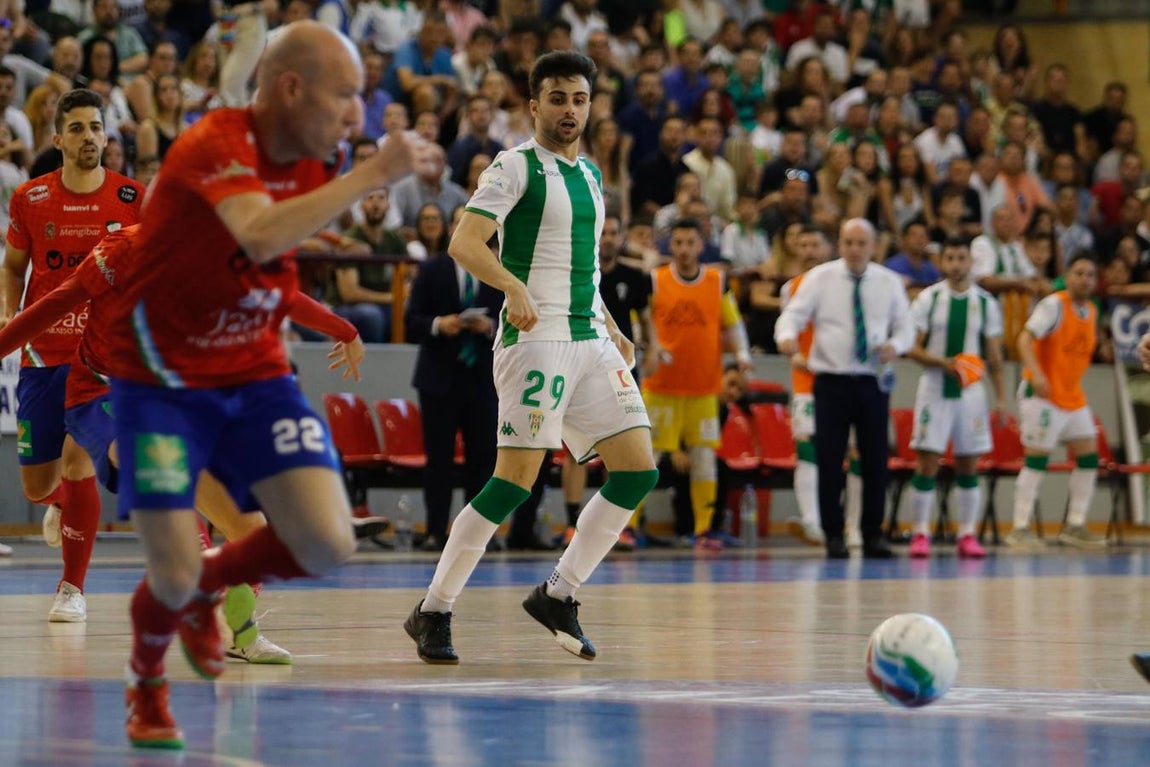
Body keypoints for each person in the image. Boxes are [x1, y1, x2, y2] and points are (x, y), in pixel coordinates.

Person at [87, 22, 413, 749]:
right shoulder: (212, 145)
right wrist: (371, 175)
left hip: (255, 370)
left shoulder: (308, 148)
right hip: (162, 382)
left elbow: (270, 265)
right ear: (293, 89)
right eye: (346, 94)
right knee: (170, 570)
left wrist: (335, 323)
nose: (356, 113)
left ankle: (211, 588)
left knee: (328, 539)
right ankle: (146, 681)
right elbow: (260, 236)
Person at [0, 223, 372, 664]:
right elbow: (53, 306)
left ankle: (241, 631)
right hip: (100, 394)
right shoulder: (122, 251)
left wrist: (345, 330)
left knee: (252, 531)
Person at [403, 51, 658, 666]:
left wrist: (612, 324)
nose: (569, 110)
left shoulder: (592, 175)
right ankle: (433, 609)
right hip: (535, 340)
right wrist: (512, 287)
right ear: (534, 104)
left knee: (638, 470)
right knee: (514, 484)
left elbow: (583, 266)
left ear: (590, 105)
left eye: (579, 99)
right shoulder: (512, 167)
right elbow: (466, 242)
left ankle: (558, 593)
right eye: (557, 98)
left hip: (589, 337)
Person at [1, 88, 144, 621]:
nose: (90, 137)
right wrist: (6, 312)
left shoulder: (133, 199)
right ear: (58, 138)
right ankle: (59, 504)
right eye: (78, 128)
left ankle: (72, 589)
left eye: (97, 127)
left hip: (101, 358)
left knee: (79, 458)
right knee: (40, 483)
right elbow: (14, 267)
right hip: (41, 354)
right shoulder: (30, 199)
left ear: (108, 136)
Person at [775, 218, 915, 560]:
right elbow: (792, 315)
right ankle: (833, 534)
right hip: (831, 381)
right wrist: (788, 338)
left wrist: (895, 345)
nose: (854, 249)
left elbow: (906, 327)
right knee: (829, 460)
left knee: (875, 462)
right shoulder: (820, 278)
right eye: (848, 242)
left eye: (861, 243)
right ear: (839, 244)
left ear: (873, 246)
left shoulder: (888, 282)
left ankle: (872, 535)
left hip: (872, 382)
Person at [642, 218, 752, 551]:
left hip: (704, 388)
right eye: (678, 243)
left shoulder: (717, 282)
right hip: (661, 387)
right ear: (669, 246)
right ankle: (627, 528)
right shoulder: (656, 281)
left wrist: (743, 355)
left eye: (691, 243)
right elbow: (641, 324)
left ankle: (704, 529)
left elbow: (732, 325)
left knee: (704, 461)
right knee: (644, 459)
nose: (685, 250)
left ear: (701, 245)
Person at [904, 238, 1006, 559]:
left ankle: (967, 535)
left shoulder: (987, 303)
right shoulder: (928, 299)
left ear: (971, 262)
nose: (956, 264)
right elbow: (911, 348)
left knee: (968, 463)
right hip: (934, 387)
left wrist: (1001, 398)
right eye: (950, 257)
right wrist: (942, 363)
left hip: (971, 393)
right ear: (942, 262)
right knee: (927, 462)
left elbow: (995, 356)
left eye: (962, 257)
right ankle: (920, 533)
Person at [405, 232, 503, 552]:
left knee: (483, 459)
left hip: (483, 377)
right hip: (439, 377)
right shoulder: (433, 268)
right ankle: (435, 531)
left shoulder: (498, 269)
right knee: (439, 460)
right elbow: (411, 320)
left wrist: (489, 328)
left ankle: (475, 535)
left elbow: (513, 319)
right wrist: (438, 324)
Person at [1006, 253, 1106, 551]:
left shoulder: (1091, 310)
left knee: (1089, 454)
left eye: (1090, 274)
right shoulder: (1054, 305)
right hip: (1043, 395)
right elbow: (1025, 339)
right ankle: (1019, 527)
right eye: (1079, 273)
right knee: (1037, 457)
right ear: (1067, 275)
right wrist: (1036, 374)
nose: (1085, 279)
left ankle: (1074, 525)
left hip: (1072, 396)